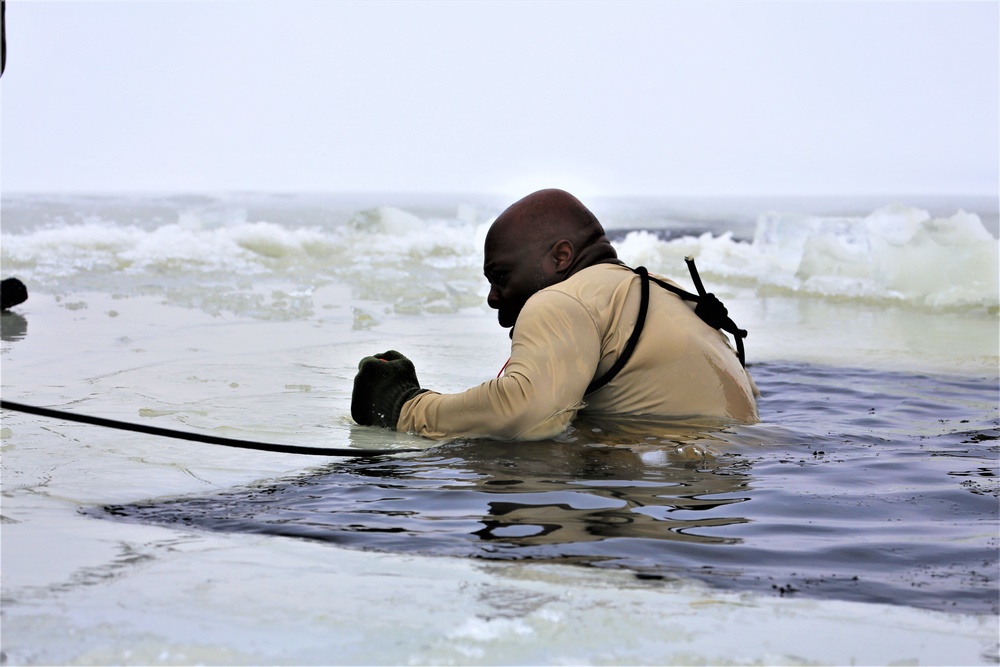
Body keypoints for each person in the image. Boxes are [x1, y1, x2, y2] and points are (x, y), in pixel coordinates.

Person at [351, 189, 759, 440]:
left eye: (501, 276)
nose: (493, 298)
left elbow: (527, 414)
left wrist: (405, 406)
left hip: (663, 491)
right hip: (726, 486)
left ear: (562, 256)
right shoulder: (663, 291)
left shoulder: (562, 300)